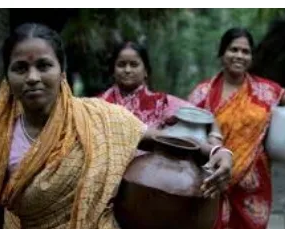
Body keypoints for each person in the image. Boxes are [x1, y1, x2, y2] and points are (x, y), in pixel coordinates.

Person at [0, 23, 231, 229]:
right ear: (7, 77)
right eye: (20, 68)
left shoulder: (98, 117)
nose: (32, 77)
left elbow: (162, 140)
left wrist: (218, 153)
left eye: (43, 65)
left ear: (61, 72)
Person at [188, 27, 285, 229]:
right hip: (213, 183)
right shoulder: (202, 93)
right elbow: (188, 131)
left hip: (253, 187)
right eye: (233, 49)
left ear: (251, 57)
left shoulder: (267, 91)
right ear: (222, 53)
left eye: (245, 51)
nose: (239, 55)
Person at [99, 41, 232, 200]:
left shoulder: (162, 103)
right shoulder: (98, 106)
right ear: (113, 70)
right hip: (105, 187)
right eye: (121, 65)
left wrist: (216, 145)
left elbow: (206, 117)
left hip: (146, 186)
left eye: (134, 65)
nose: (127, 70)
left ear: (146, 71)